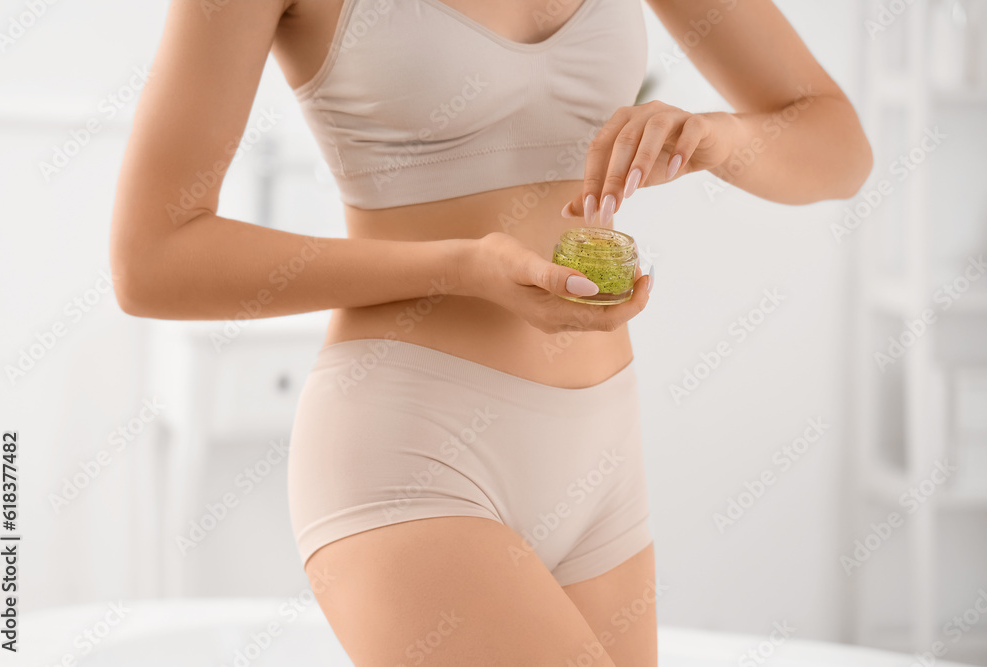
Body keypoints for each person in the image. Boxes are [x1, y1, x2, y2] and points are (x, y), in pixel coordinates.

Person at [109, 0, 872, 664]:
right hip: (410, 444)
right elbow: (153, 257)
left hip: (602, 454)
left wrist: (714, 139)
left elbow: (839, 148)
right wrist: (461, 268)